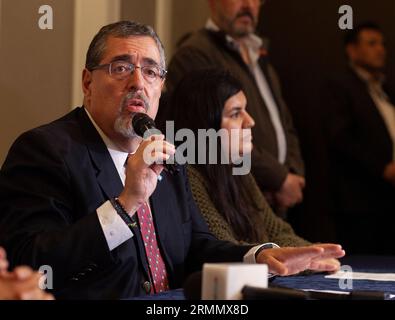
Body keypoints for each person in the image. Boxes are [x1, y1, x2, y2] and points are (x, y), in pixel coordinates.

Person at [0, 21, 344, 299]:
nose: (138, 83)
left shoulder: (165, 153)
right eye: (121, 68)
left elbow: (194, 246)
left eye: (151, 72)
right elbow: (34, 265)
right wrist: (126, 204)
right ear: (88, 82)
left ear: (161, 87)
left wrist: (258, 256)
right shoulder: (44, 150)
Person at [168, 68, 339, 270]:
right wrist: (297, 257)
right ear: (204, 124)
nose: (250, 122)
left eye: (246, 110)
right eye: (235, 113)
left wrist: (311, 253)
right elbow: (225, 247)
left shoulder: (238, 169)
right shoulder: (187, 175)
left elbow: (277, 231)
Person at [165, 0, 305, 214]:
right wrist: (279, 178)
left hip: (274, 202)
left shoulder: (259, 56)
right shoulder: (194, 54)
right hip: (233, 202)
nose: (248, 5)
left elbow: (285, 124)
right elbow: (205, 136)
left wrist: (293, 171)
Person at [325, 22, 395, 254]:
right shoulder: (341, 86)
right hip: (361, 200)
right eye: (372, 43)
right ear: (352, 50)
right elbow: (340, 138)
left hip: (388, 198)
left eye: (382, 44)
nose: (381, 49)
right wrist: (382, 167)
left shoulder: (385, 88)